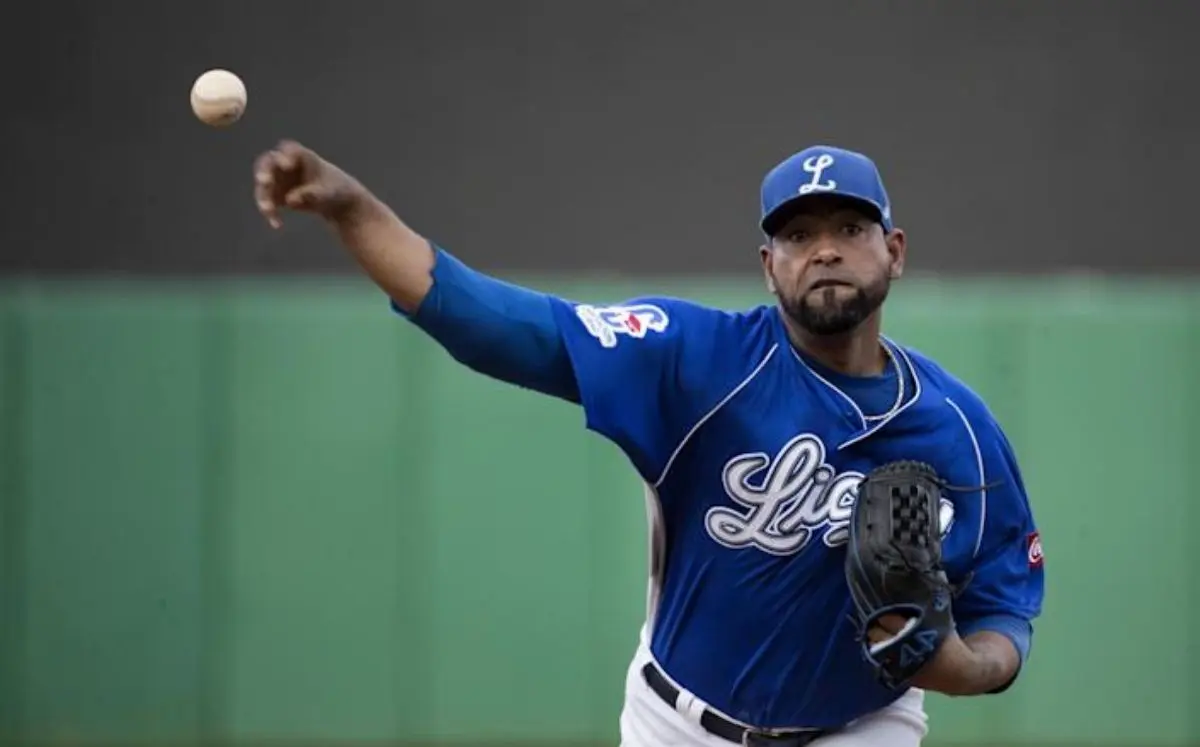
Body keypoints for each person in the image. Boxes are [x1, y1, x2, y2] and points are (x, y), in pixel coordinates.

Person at [253, 140, 1045, 747]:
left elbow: (1006, 600)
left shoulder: (960, 430)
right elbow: (499, 327)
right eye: (798, 235)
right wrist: (355, 210)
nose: (825, 248)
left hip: (861, 729)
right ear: (769, 267)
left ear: (894, 251)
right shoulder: (696, 360)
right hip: (679, 724)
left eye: (849, 227)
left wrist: (962, 667)